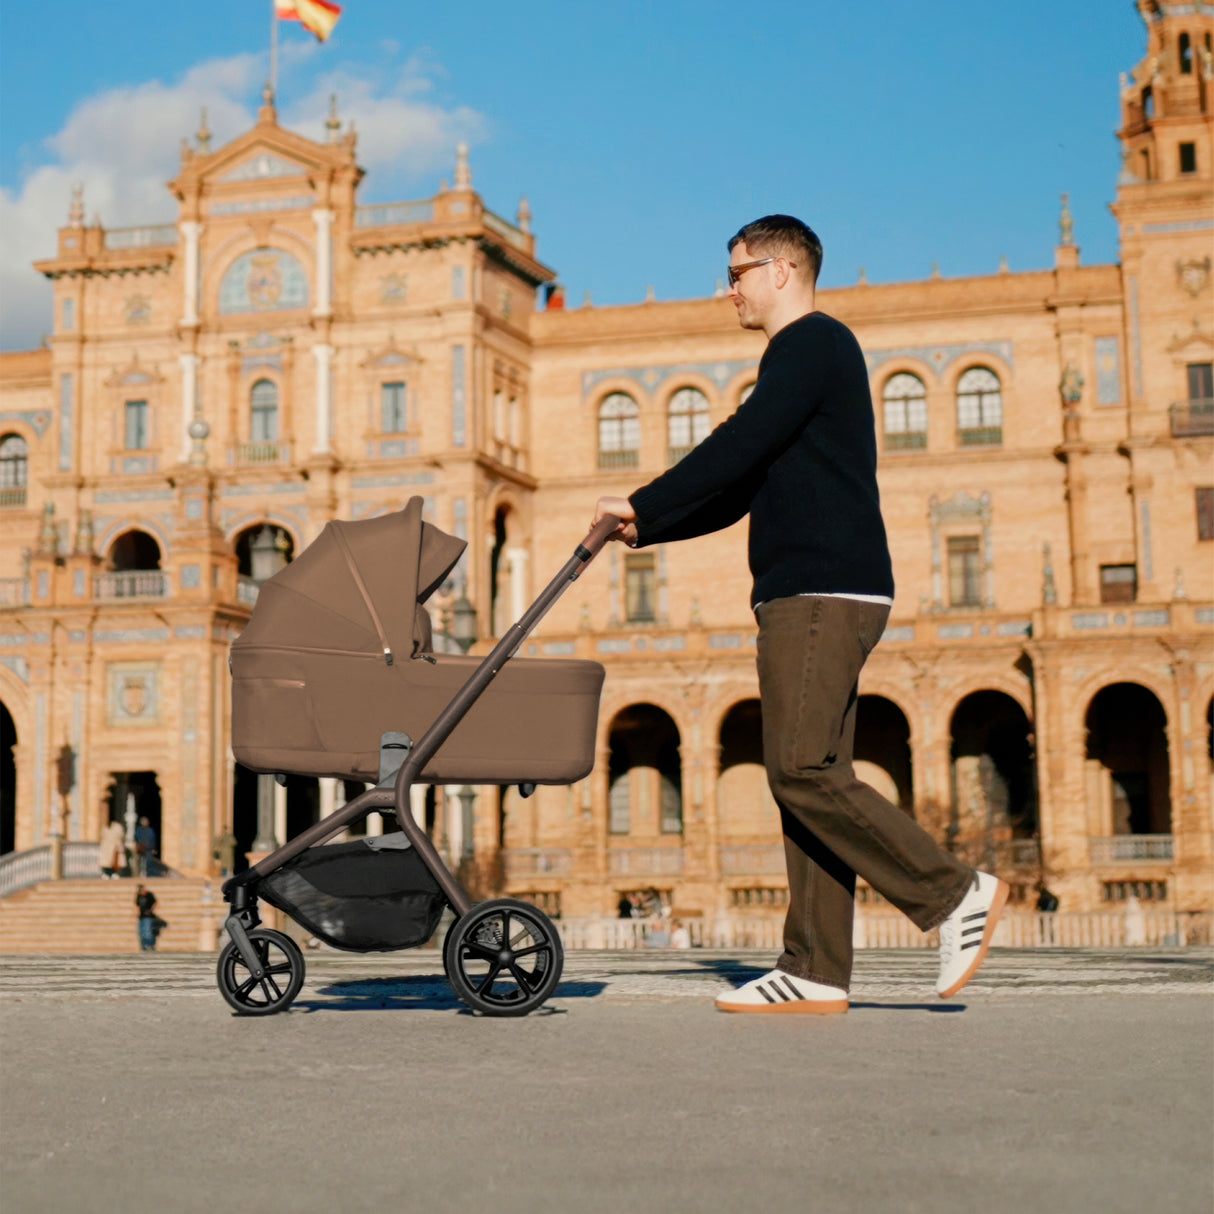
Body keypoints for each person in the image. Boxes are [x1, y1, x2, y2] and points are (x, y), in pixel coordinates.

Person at [593, 215, 1009, 1014]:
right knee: (810, 773)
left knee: (800, 768)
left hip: (821, 590)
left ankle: (953, 893)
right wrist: (645, 525)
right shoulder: (805, 359)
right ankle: (815, 967)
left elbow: (738, 443)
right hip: (816, 590)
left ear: (782, 270)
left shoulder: (813, 344)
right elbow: (742, 488)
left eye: (739, 271)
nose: (730, 289)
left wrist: (642, 498)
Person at [134, 884, 158, 952]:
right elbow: (137, 905)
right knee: (141, 933)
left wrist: (151, 911)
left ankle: (150, 946)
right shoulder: (139, 896)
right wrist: (137, 914)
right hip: (141, 917)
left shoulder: (149, 895)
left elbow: (155, 904)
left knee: (147, 933)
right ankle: (144, 947)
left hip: (148, 917)